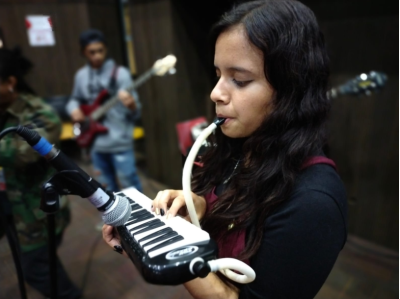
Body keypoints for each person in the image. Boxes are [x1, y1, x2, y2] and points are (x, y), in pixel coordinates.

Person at [102, 0, 348, 298]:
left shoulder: (314, 203)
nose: (215, 93)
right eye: (218, 74)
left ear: (291, 89)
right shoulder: (236, 148)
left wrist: (167, 249)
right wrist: (200, 210)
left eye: (240, 80)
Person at [0, 47, 81, 299]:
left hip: (37, 213)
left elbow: (22, 152)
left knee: (37, 269)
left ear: (10, 82)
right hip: (14, 205)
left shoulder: (40, 114)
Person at [66, 29, 142, 193]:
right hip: (95, 144)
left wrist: (132, 105)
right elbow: (74, 99)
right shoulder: (81, 76)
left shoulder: (121, 74)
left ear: (106, 49)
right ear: (84, 52)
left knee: (131, 186)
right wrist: (74, 110)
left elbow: (137, 113)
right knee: (105, 190)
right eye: (92, 52)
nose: (97, 56)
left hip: (120, 142)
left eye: (100, 51)